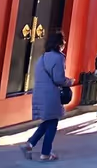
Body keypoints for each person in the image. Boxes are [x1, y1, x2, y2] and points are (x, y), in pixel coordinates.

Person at [19, 32, 74, 162]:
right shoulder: (58, 58)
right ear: (59, 44)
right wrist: (69, 82)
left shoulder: (43, 57)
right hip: (51, 94)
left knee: (48, 121)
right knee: (53, 122)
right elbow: (58, 79)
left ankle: (29, 144)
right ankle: (45, 153)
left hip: (40, 93)